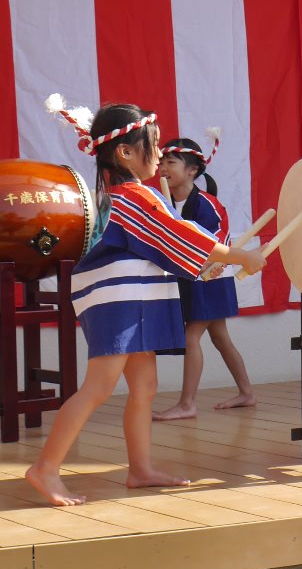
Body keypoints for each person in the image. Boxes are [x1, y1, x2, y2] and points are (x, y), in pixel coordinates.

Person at [26, 98, 266, 507]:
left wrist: (209, 264)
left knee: (145, 386)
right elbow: (179, 235)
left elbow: (167, 246)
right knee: (99, 387)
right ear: (125, 152)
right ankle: (45, 468)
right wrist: (240, 255)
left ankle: (140, 468)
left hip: (133, 295)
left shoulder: (126, 196)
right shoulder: (134, 196)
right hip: (119, 298)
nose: (159, 154)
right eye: (153, 145)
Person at [155, 131, 256, 419]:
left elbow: (218, 238)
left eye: (171, 162)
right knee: (220, 337)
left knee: (191, 336)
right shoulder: (165, 202)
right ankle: (247, 392)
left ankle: (187, 404)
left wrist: (200, 262)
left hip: (210, 277)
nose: (163, 168)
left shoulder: (207, 203)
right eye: (162, 162)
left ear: (192, 170)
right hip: (192, 276)